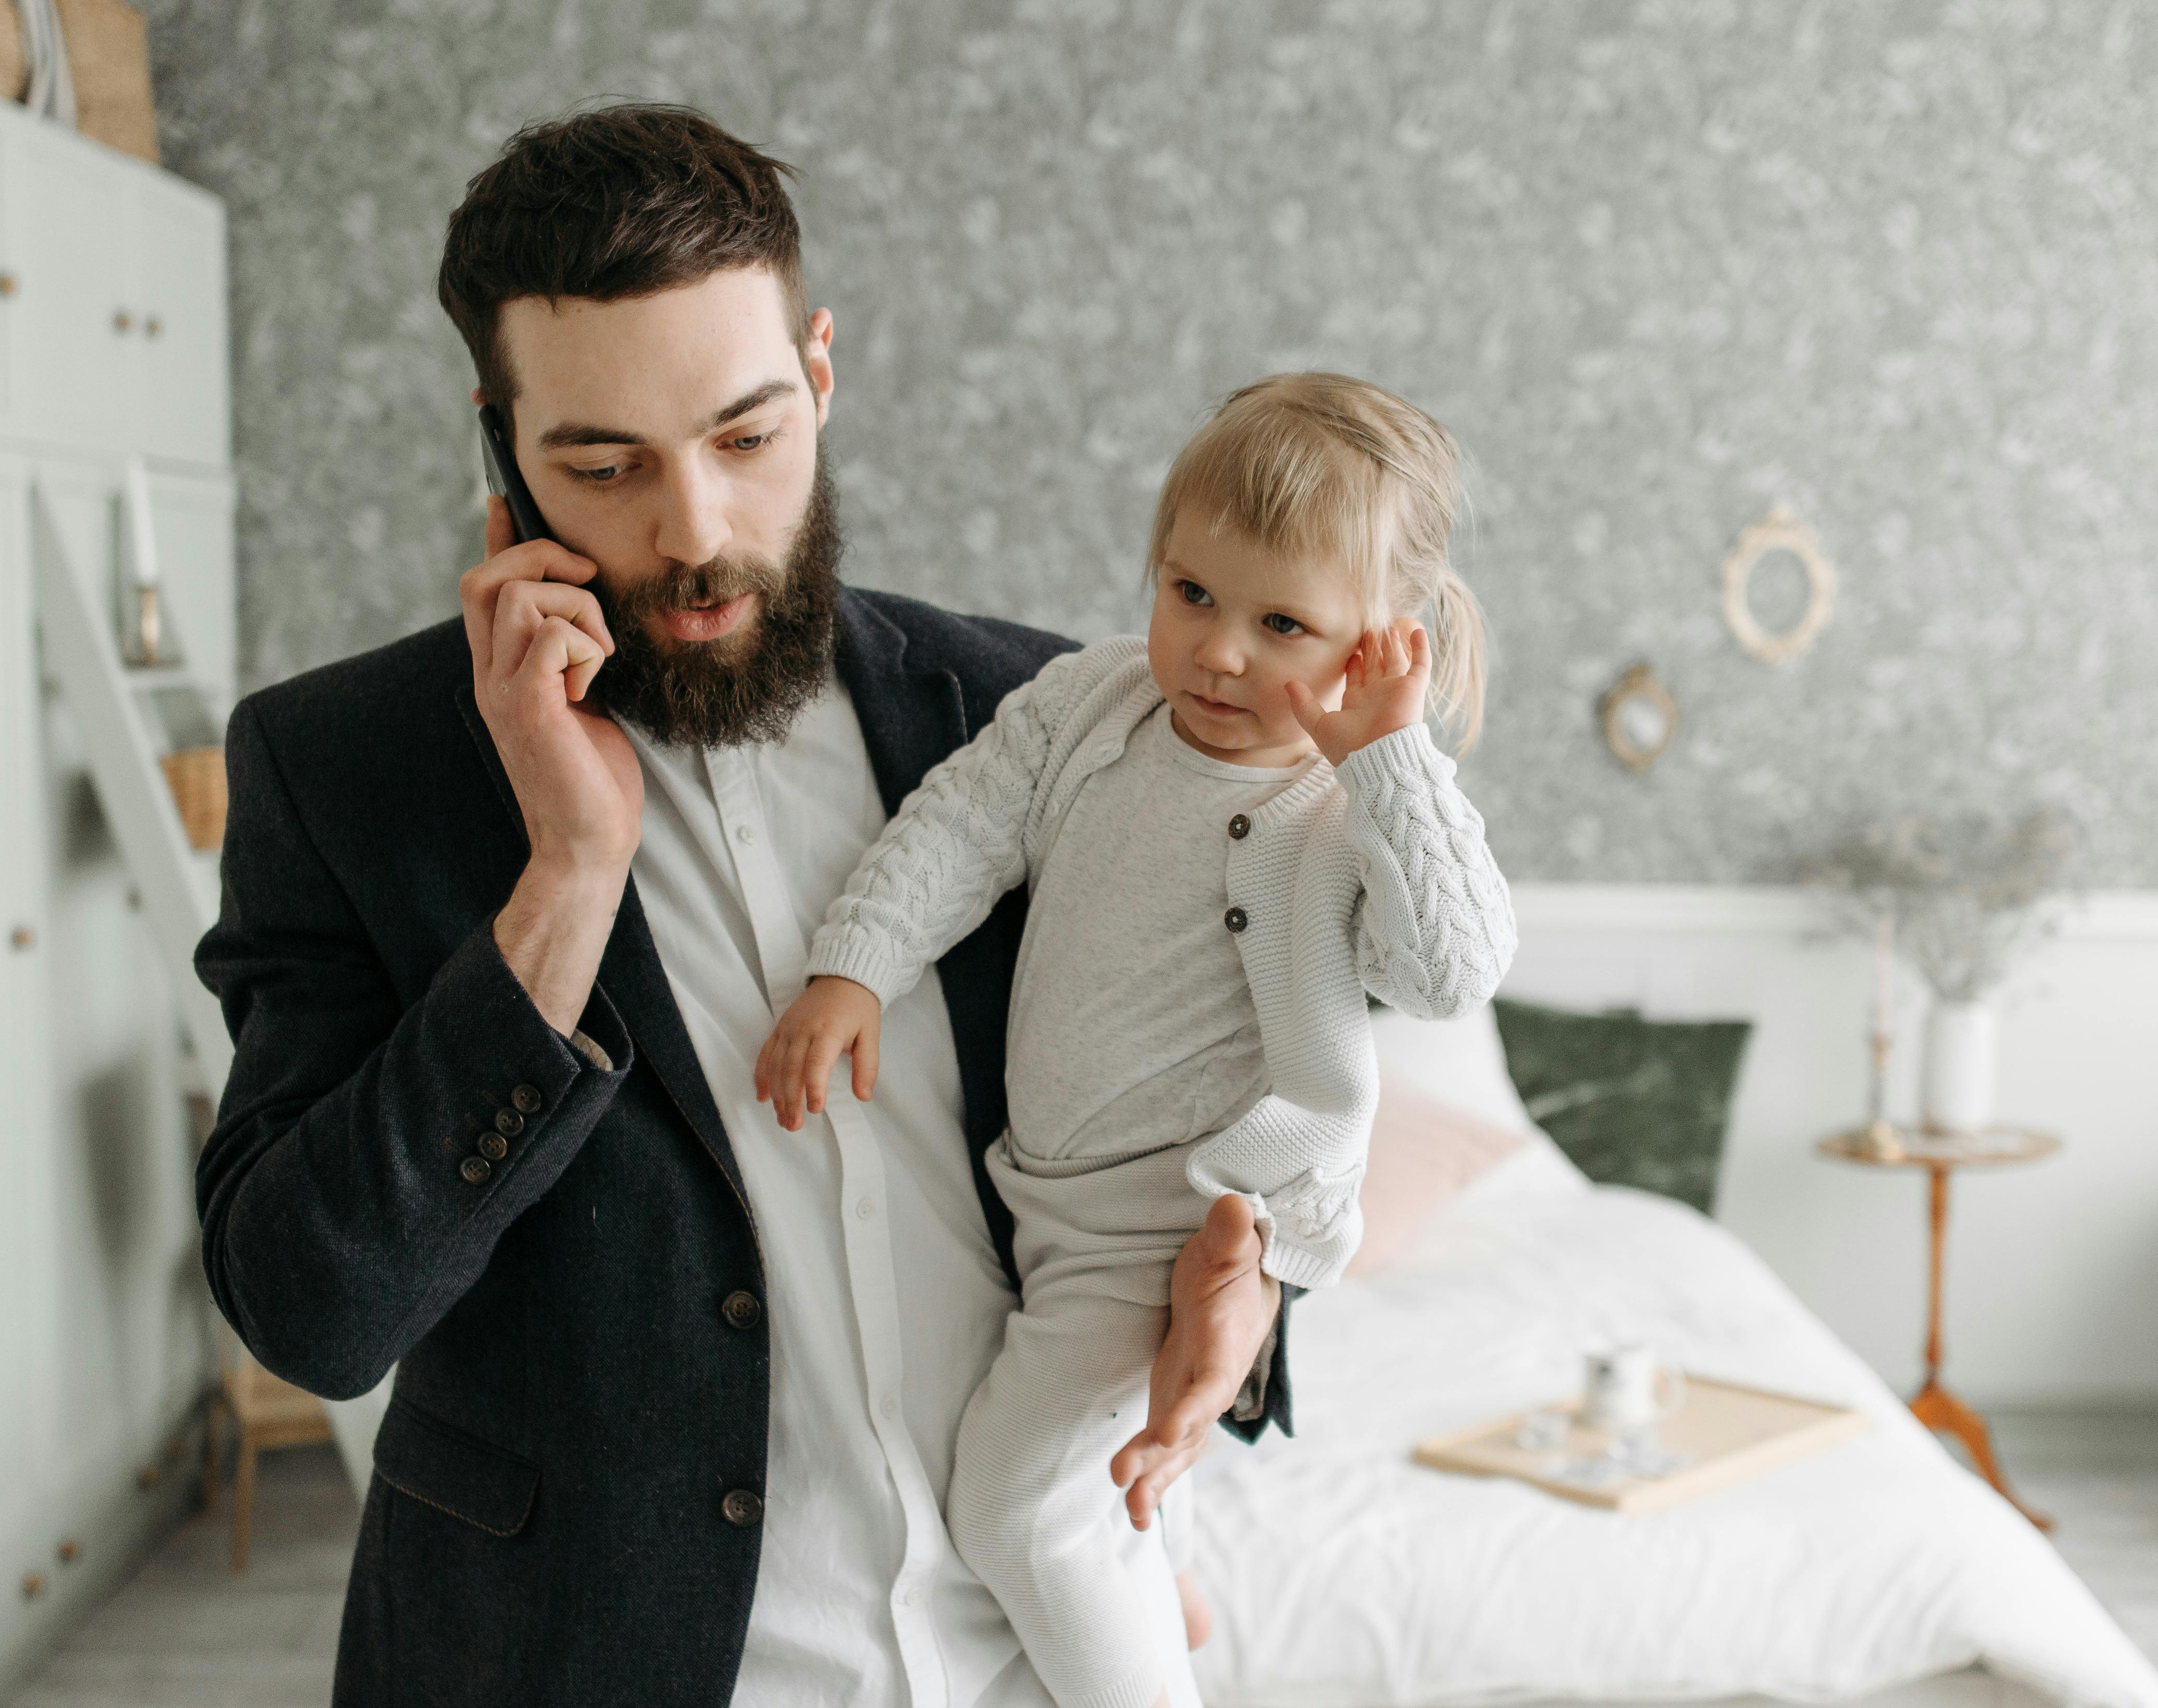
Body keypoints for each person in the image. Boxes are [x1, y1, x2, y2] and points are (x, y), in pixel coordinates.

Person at [193, 104, 1290, 1708]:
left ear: (820, 373)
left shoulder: (1048, 717)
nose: (696, 532)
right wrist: (566, 882)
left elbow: (1202, 1091)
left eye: (749, 437)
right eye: (604, 466)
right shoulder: (341, 766)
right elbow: (314, 1312)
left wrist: (1254, 1288)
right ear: (501, 445)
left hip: (1029, 1661)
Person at [757, 374, 1519, 1708]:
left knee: (1014, 1506)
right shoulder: (1091, 703)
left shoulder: (1347, 810)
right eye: (1192, 594)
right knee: (1102, 1474)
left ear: (1377, 648)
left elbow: (1454, 973)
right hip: (1047, 1199)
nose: (1219, 652)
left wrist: (1392, 759)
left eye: (1281, 625)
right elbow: (961, 823)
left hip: (1180, 1223)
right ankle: (1160, 1564)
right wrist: (858, 964)